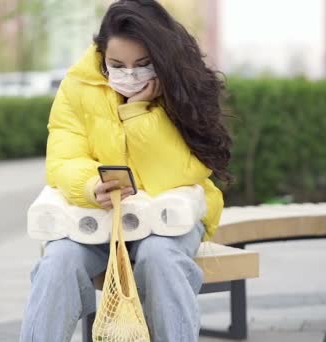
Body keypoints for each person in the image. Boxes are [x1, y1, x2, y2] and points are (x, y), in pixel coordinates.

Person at [19, 0, 232, 340]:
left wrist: (138, 113)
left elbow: (183, 171)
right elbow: (63, 159)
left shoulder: (183, 89)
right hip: (100, 216)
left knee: (160, 257)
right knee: (57, 262)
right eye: (117, 64)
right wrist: (91, 186)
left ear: (160, 59)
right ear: (101, 57)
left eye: (142, 64)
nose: (129, 74)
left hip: (168, 217)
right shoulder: (77, 87)